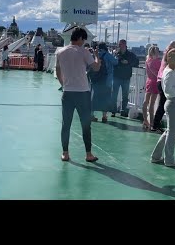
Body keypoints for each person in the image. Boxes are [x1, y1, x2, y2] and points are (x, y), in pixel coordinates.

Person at [55, 27, 101, 163]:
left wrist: (63, 84)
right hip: (82, 93)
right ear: (80, 38)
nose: (83, 42)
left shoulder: (60, 52)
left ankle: (65, 153)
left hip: (67, 93)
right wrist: (97, 56)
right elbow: (96, 67)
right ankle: (88, 154)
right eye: (84, 39)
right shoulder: (84, 52)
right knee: (85, 124)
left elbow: (58, 71)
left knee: (66, 124)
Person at [150, 49, 175, 167]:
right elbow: (168, 90)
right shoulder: (169, 73)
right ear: (174, 60)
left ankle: (156, 156)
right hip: (174, 103)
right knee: (172, 133)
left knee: (169, 131)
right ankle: (169, 159)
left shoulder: (173, 71)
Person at [150, 40, 175, 133]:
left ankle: (155, 124)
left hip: (160, 80)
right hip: (164, 81)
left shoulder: (166, 54)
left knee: (162, 104)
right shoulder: (171, 55)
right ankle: (156, 125)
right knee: (164, 104)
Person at [90, 42, 118, 123]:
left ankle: (92, 114)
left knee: (95, 97)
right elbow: (115, 62)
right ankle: (104, 116)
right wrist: (116, 55)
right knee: (106, 98)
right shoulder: (107, 55)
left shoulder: (95, 55)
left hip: (96, 80)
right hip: (106, 81)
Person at [110, 39, 139, 117]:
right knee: (114, 94)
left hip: (126, 77)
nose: (120, 46)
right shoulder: (116, 54)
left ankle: (123, 110)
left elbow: (136, 62)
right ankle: (113, 110)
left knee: (125, 95)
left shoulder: (130, 55)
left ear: (125, 45)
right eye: (119, 45)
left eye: (121, 44)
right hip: (116, 77)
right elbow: (112, 62)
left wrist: (128, 62)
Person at [142, 45, 161, 130]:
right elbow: (159, 73)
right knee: (152, 103)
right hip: (155, 82)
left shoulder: (147, 60)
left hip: (148, 81)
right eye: (158, 51)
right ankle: (152, 122)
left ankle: (145, 120)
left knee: (146, 101)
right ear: (155, 53)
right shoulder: (157, 61)